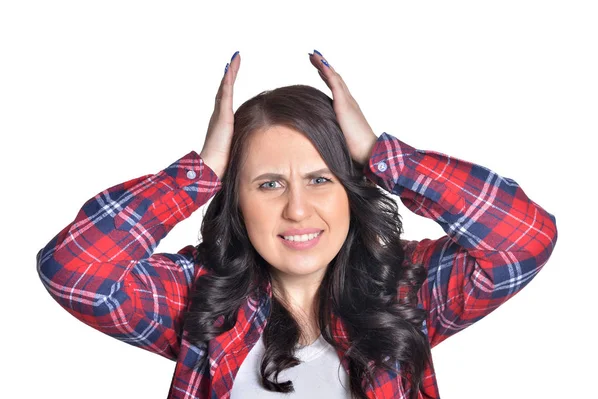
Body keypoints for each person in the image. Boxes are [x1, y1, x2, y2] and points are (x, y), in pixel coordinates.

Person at [36, 49, 558, 399]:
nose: (297, 210)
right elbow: (74, 272)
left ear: (350, 190)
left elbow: (523, 239)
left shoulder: (406, 292)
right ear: (233, 199)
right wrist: (198, 175)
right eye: (268, 184)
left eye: (320, 179)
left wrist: (385, 156)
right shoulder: (200, 299)